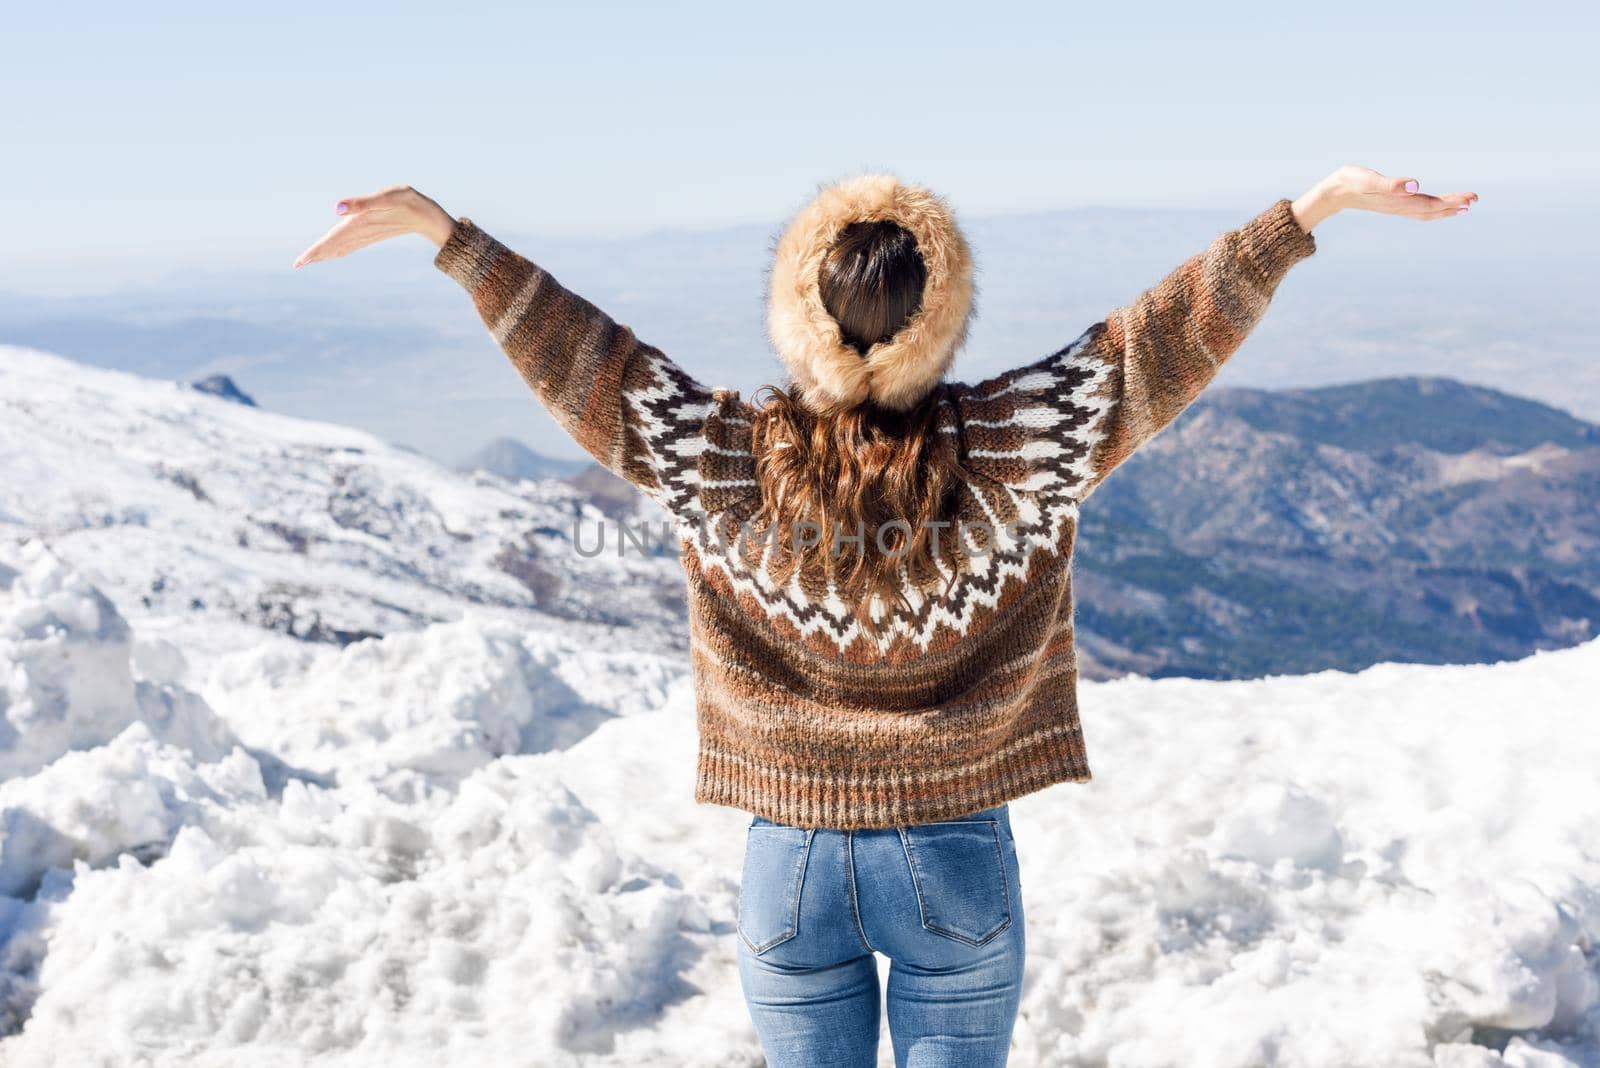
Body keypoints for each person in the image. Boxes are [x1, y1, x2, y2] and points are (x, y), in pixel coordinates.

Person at [294, 166, 1476, 1067]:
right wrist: (1312, 209)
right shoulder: (1023, 444)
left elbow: (583, 357)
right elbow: (1162, 340)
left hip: (788, 861)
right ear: (936, 317)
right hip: (953, 849)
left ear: (798, 313)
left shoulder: (722, 456)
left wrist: (444, 236)